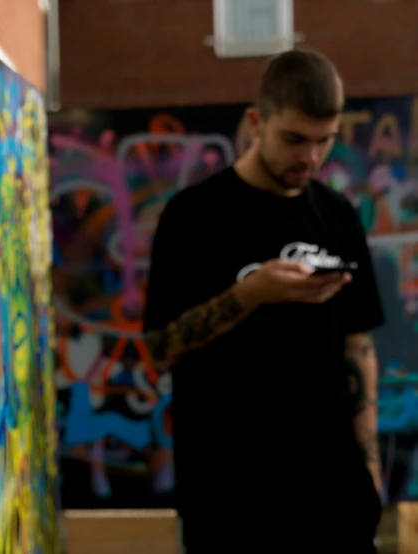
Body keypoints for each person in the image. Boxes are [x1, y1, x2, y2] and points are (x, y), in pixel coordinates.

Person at [143, 49, 385, 553]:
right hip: (232, 495)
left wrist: (370, 467)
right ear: (257, 122)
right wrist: (250, 295)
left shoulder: (338, 215)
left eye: (325, 142)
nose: (310, 158)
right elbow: (162, 346)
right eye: (294, 139)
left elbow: (357, 344)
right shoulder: (193, 217)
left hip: (333, 489)